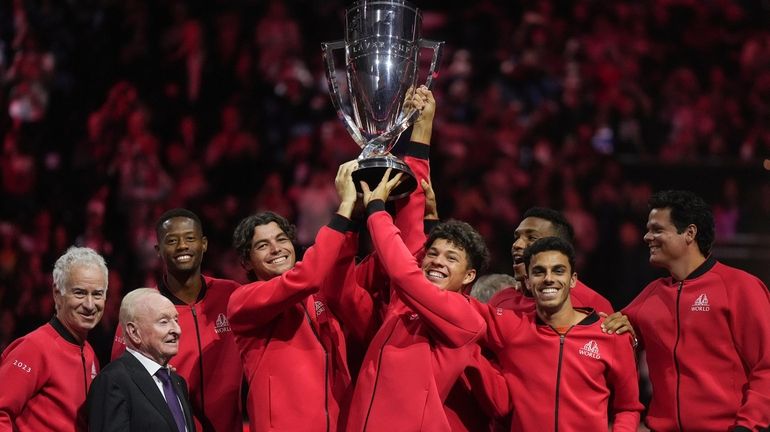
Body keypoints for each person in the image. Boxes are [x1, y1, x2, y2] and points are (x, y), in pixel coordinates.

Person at [601, 190, 770, 431]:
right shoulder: (651, 294)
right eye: (648, 229)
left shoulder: (739, 286)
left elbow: (766, 366)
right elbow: (603, 334)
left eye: (657, 229)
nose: (647, 237)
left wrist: (747, 426)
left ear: (689, 233)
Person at [342, 168, 488, 431]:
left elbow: (403, 272)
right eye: (433, 254)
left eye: (451, 258)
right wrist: (430, 218)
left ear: (469, 276)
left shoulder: (466, 320)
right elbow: (416, 258)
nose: (437, 262)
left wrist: (377, 210)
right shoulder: (407, 302)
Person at [226, 161, 359, 432]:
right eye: (262, 245)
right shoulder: (244, 301)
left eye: (281, 239)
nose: (276, 249)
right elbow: (308, 275)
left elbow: (341, 266)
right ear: (247, 263)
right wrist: (343, 209)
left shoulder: (315, 292)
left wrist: (356, 216)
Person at [472, 237, 643, 431]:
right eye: (538, 271)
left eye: (558, 270)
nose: (548, 278)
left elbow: (628, 408)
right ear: (527, 281)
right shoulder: (510, 327)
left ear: (573, 280)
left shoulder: (611, 334)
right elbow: (452, 305)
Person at [111, 209, 243, 432]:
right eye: (172, 240)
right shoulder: (142, 311)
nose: (182, 245)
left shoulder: (233, 296)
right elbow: (120, 384)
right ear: (158, 251)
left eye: (190, 238)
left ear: (204, 244)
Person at [0, 246, 108, 431]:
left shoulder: (90, 353)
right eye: (80, 293)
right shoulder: (33, 347)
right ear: (57, 294)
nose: (90, 305)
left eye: (97, 294)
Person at [88, 288, 195, 432]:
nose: (177, 330)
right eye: (164, 322)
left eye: (176, 320)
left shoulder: (177, 382)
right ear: (134, 332)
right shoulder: (112, 381)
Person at [489, 207, 614, 314]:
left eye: (532, 237)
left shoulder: (593, 305)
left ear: (558, 247)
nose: (517, 244)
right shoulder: (501, 301)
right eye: (516, 237)